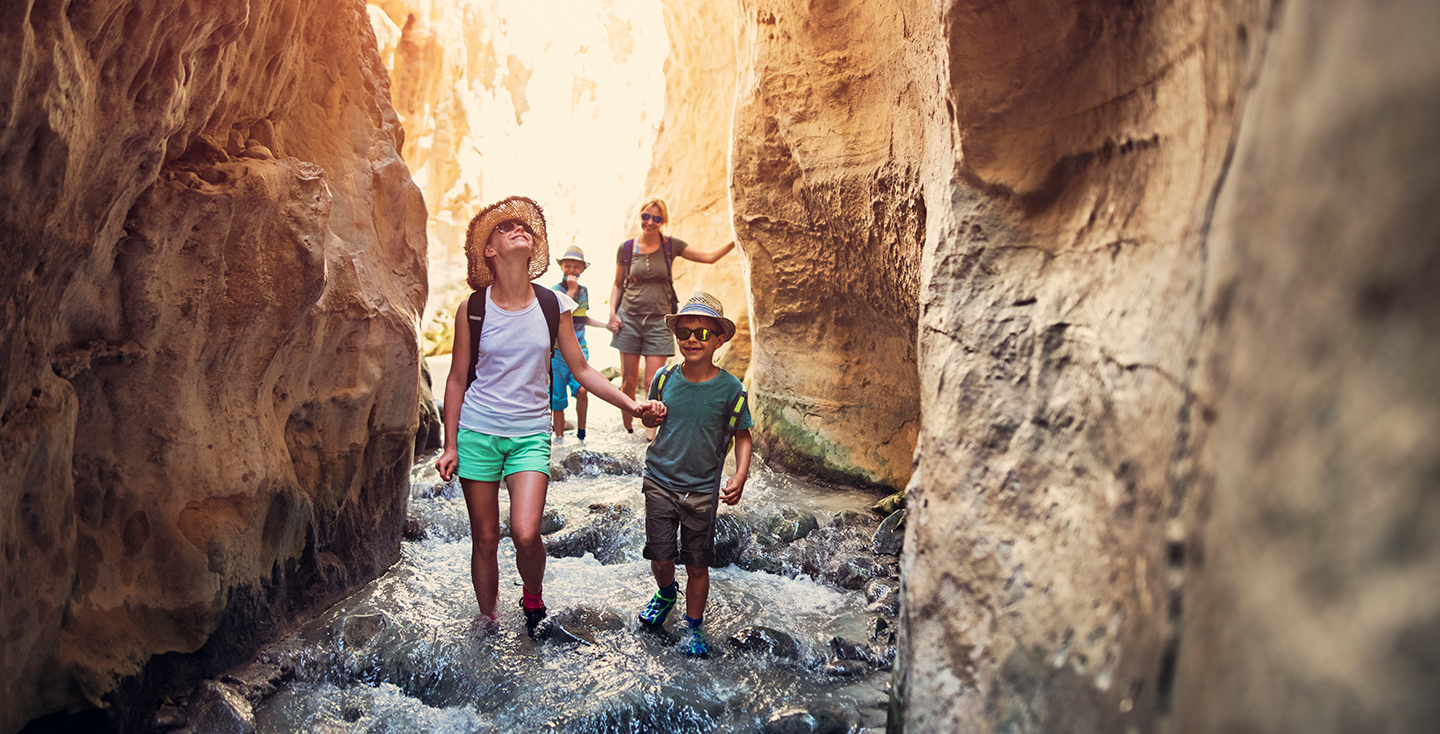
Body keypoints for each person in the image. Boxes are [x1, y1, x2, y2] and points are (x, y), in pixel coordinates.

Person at [436, 195, 662, 636]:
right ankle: (488, 622)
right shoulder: (473, 307)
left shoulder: (553, 303)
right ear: (490, 250)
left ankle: (532, 597)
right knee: (483, 538)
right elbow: (456, 379)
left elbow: (581, 369)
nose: (518, 229)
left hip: (529, 435)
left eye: (524, 227)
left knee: (524, 533)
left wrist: (630, 404)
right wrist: (449, 444)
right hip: (477, 431)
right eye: (505, 229)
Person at [636, 292, 753, 658]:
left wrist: (740, 474)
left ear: (719, 340)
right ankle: (667, 592)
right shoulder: (665, 376)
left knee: (697, 563)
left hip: (702, 491)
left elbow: (743, 435)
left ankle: (694, 627)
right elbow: (650, 422)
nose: (691, 339)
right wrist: (648, 419)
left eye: (702, 334)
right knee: (660, 556)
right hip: (659, 480)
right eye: (685, 331)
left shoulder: (732, 390)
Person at [607, 198, 736, 439]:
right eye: (646, 216)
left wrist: (737, 237)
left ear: (663, 221)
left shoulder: (670, 246)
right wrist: (612, 313)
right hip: (629, 319)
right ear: (640, 217)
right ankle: (627, 431)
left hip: (658, 321)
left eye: (656, 218)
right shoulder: (626, 248)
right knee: (628, 381)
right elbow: (616, 284)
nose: (650, 222)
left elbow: (709, 257)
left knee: (653, 382)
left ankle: (650, 437)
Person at [549, 245, 603, 441]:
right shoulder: (555, 291)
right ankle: (560, 438)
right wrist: (570, 290)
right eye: (567, 266)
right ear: (562, 267)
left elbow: (582, 318)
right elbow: (558, 314)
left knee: (582, 389)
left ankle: (581, 434)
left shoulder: (584, 292)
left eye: (576, 267)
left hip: (580, 350)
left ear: (582, 269)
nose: (571, 270)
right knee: (557, 398)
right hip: (558, 354)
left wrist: (606, 325)